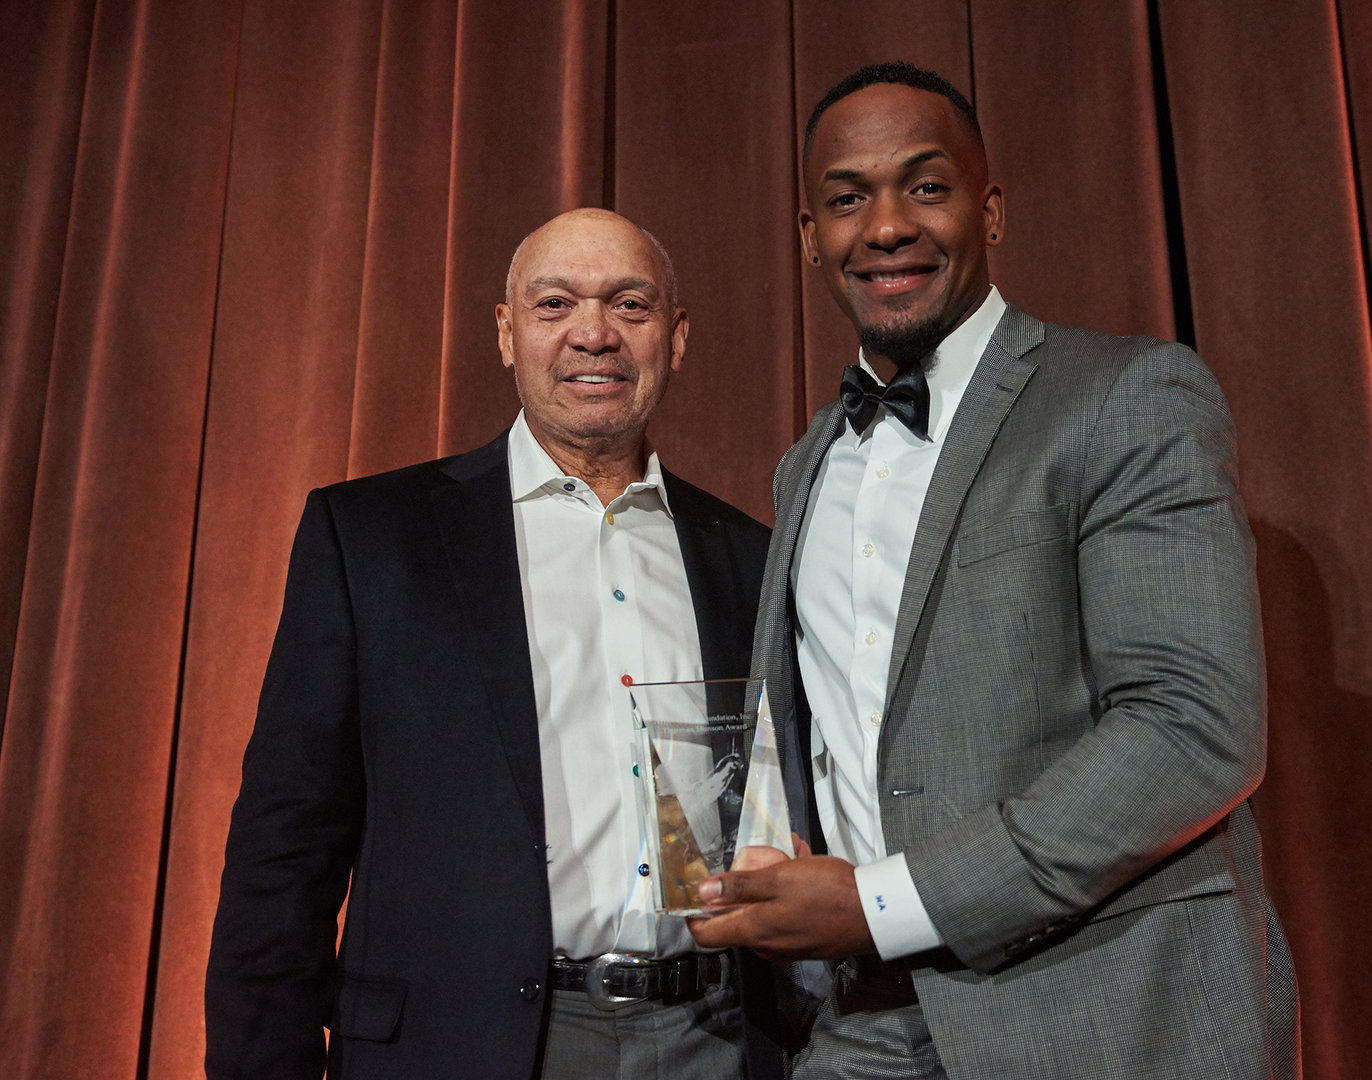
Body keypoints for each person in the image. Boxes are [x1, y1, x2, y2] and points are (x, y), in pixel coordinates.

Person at [688, 62, 1301, 1079]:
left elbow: (1193, 728)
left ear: (990, 207)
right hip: (861, 1022)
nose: (884, 225)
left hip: (1102, 1006)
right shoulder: (805, 467)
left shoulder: (1125, 397)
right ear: (809, 237)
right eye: (846, 199)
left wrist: (882, 903)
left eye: (923, 187)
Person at [206, 209, 778, 1079]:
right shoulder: (371, 537)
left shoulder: (752, 557)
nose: (594, 333)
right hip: (461, 1045)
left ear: (677, 335)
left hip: (714, 1039)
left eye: (629, 304)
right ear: (507, 333)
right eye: (555, 304)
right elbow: (286, 844)